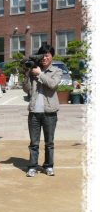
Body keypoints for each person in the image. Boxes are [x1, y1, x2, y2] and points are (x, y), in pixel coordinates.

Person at [23, 44, 63, 177]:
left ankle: (48, 166)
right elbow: (26, 89)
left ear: (52, 56)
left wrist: (40, 74)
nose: (45, 57)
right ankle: (33, 166)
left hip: (50, 111)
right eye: (43, 55)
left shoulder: (57, 71)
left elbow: (52, 85)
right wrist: (27, 74)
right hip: (34, 111)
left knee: (49, 142)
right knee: (34, 143)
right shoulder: (34, 70)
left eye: (48, 55)